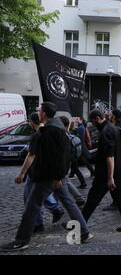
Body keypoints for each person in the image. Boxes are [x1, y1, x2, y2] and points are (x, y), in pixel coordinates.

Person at [1, 102, 92, 252]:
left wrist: (57, 177)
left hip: (48, 176)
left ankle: (21, 240)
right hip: (55, 175)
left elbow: (56, 157)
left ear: (43, 114)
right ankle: (84, 232)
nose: (37, 111)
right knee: (69, 202)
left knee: (31, 207)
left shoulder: (50, 132)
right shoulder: (56, 129)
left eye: (39, 110)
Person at [81, 109, 121, 233]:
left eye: (93, 121)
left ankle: (79, 226)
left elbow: (110, 156)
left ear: (98, 118)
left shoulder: (107, 131)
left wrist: (110, 177)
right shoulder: (114, 128)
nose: (93, 124)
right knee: (120, 199)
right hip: (117, 170)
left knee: (92, 199)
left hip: (106, 173)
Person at [14, 112, 64, 234]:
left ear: (32, 122)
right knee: (39, 194)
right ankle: (55, 209)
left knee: (31, 199)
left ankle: (37, 225)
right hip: (43, 171)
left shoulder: (37, 135)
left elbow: (31, 156)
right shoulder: (46, 133)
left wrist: (21, 173)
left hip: (36, 171)